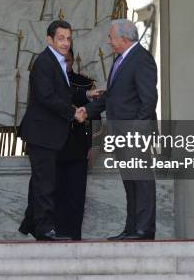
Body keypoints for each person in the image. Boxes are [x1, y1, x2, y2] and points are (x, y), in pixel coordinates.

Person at [18, 20, 99, 241]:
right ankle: (43, 227)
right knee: (45, 182)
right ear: (50, 40)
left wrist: (86, 96)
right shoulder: (44, 62)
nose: (65, 43)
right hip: (42, 134)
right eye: (61, 38)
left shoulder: (57, 62)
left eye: (68, 38)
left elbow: (63, 91)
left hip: (48, 135)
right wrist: (74, 112)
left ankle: (33, 223)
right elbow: (47, 96)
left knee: (43, 181)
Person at [85, 19, 159, 241]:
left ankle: (144, 229)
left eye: (111, 37)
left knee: (142, 181)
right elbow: (113, 96)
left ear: (124, 39)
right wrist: (87, 110)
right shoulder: (121, 59)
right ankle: (131, 228)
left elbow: (148, 101)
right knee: (130, 182)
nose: (109, 42)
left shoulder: (141, 59)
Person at [54, 48, 98, 240]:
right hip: (54, 146)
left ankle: (74, 236)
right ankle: (56, 233)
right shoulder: (50, 82)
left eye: (69, 60)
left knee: (76, 195)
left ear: (74, 61)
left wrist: (94, 144)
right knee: (56, 193)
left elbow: (95, 118)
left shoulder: (85, 84)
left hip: (78, 146)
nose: (66, 64)